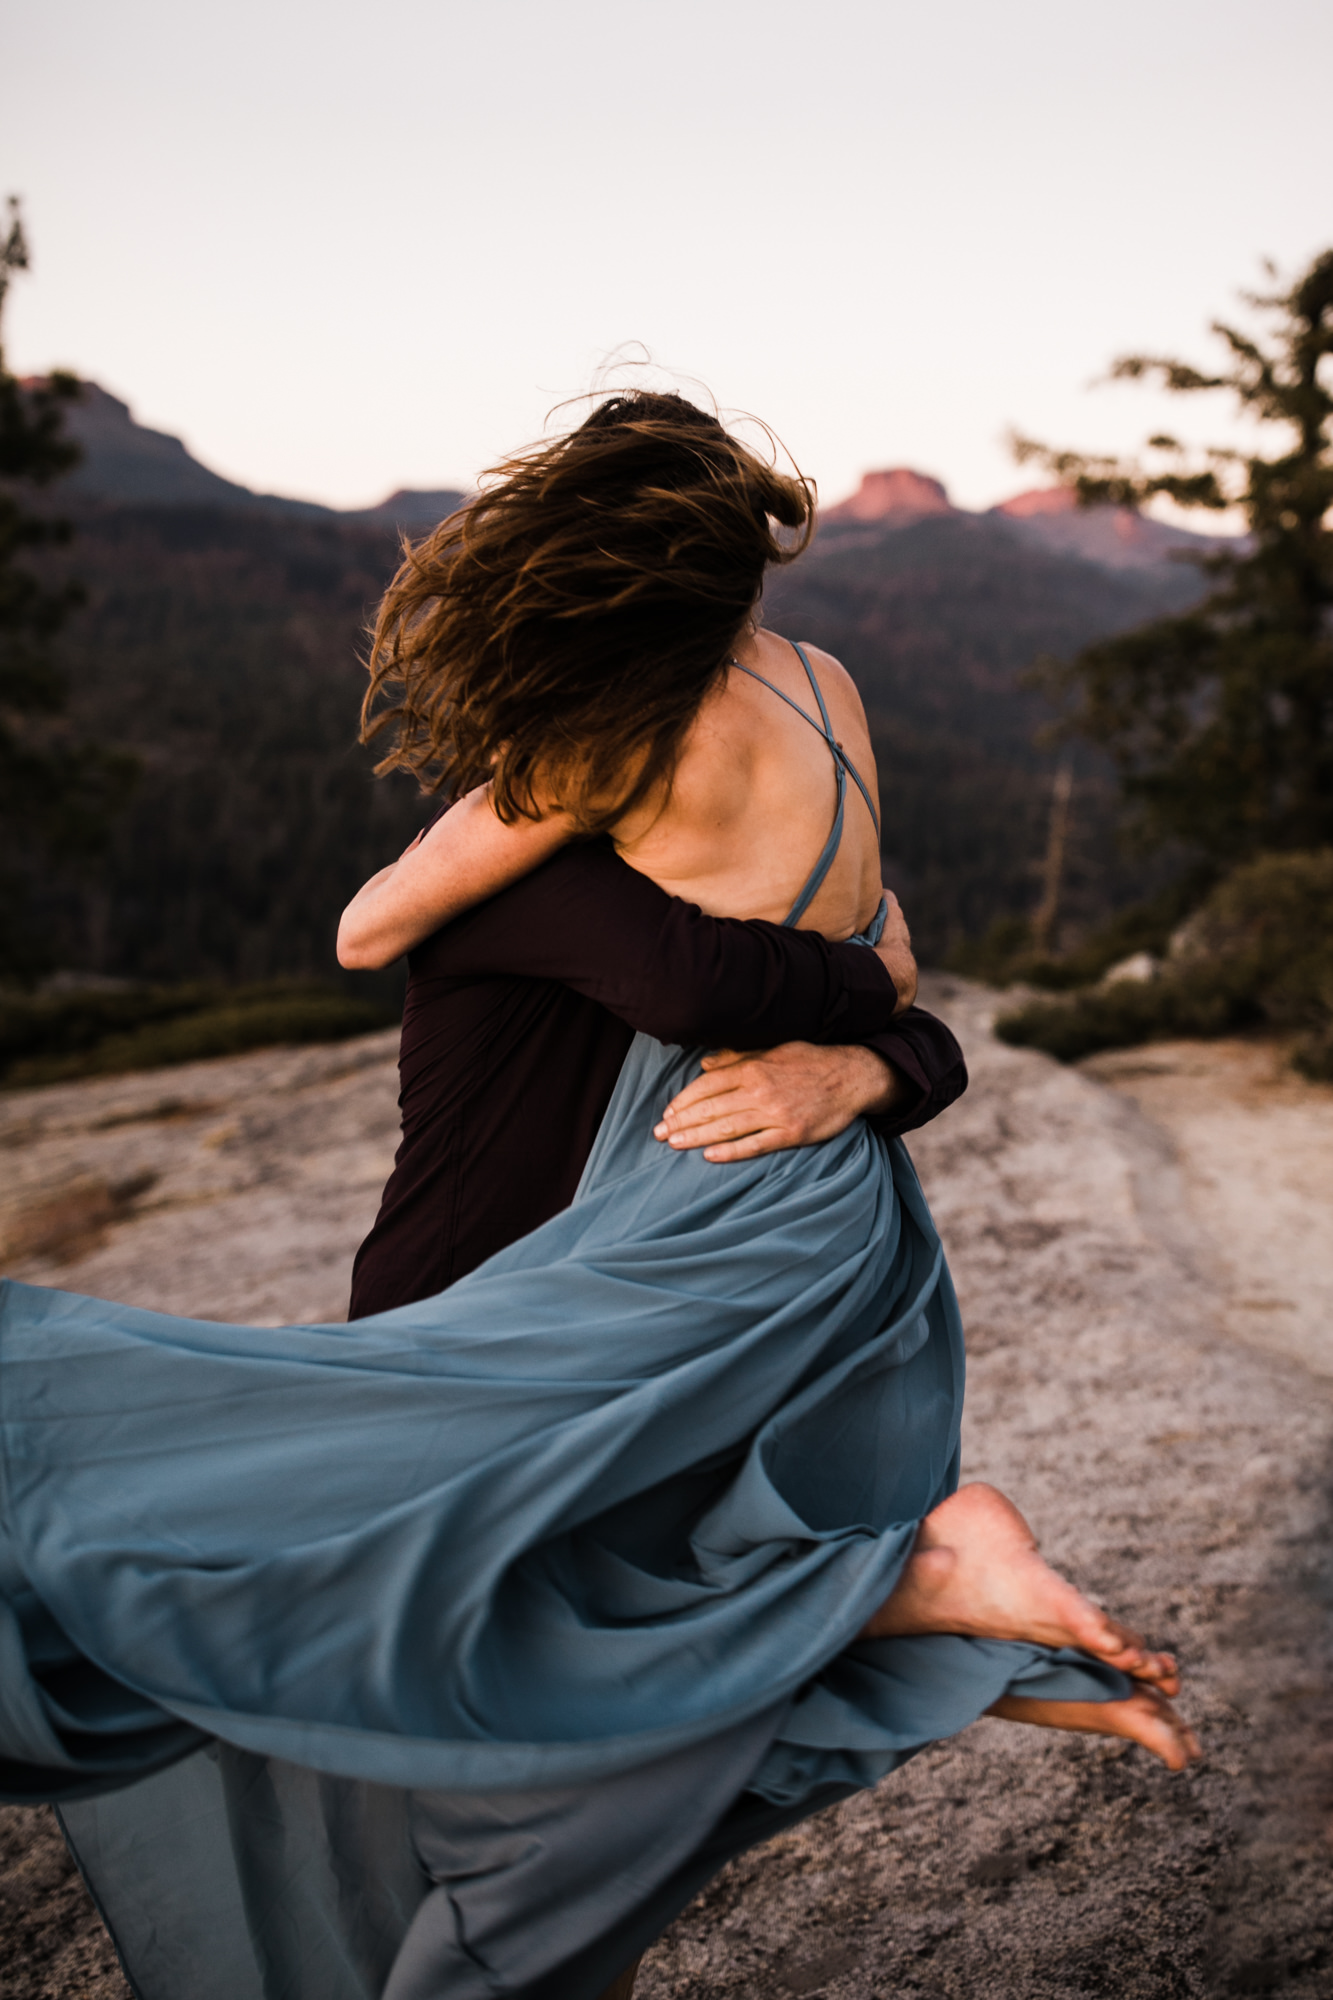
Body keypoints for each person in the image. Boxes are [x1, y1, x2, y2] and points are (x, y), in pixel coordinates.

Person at [0, 391, 1196, 2000]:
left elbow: (373, 927)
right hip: (833, 1216)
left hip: (664, 1211)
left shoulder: (606, 752)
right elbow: (844, 949)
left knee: (413, 1621)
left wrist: (830, 992)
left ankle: (911, 1607)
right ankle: (924, 1615)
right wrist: (875, 1008)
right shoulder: (828, 685)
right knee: (601, 1626)